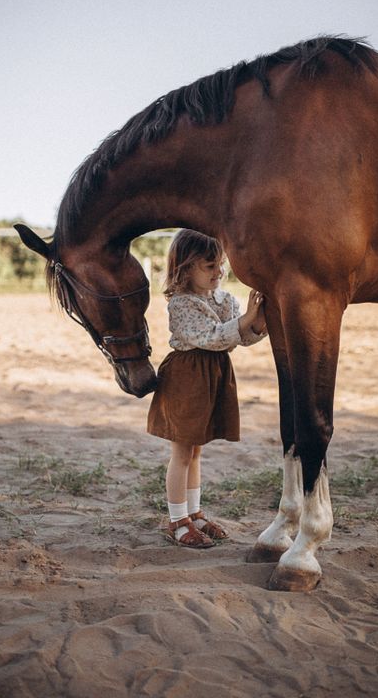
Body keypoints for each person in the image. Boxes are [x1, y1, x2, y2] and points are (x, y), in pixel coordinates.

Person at [147, 229, 268, 548]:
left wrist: (259, 321)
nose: (219, 272)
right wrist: (245, 320)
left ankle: (194, 512)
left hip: (215, 375)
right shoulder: (181, 304)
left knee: (197, 450)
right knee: (182, 452)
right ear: (186, 268)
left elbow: (239, 338)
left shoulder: (226, 299)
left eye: (221, 264)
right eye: (209, 266)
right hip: (188, 377)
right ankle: (177, 520)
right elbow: (213, 336)